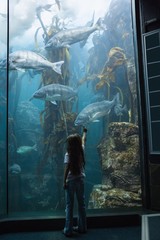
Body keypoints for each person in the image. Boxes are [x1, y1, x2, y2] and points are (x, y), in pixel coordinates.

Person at [63, 127, 87, 237]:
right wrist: (85, 132)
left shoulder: (68, 154)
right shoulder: (81, 150)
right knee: (81, 204)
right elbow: (83, 140)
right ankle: (82, 228)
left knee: (69, 205)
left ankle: (68, 230)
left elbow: (67, 169)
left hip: (71, 182)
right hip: (80, 180)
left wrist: (64, 181)